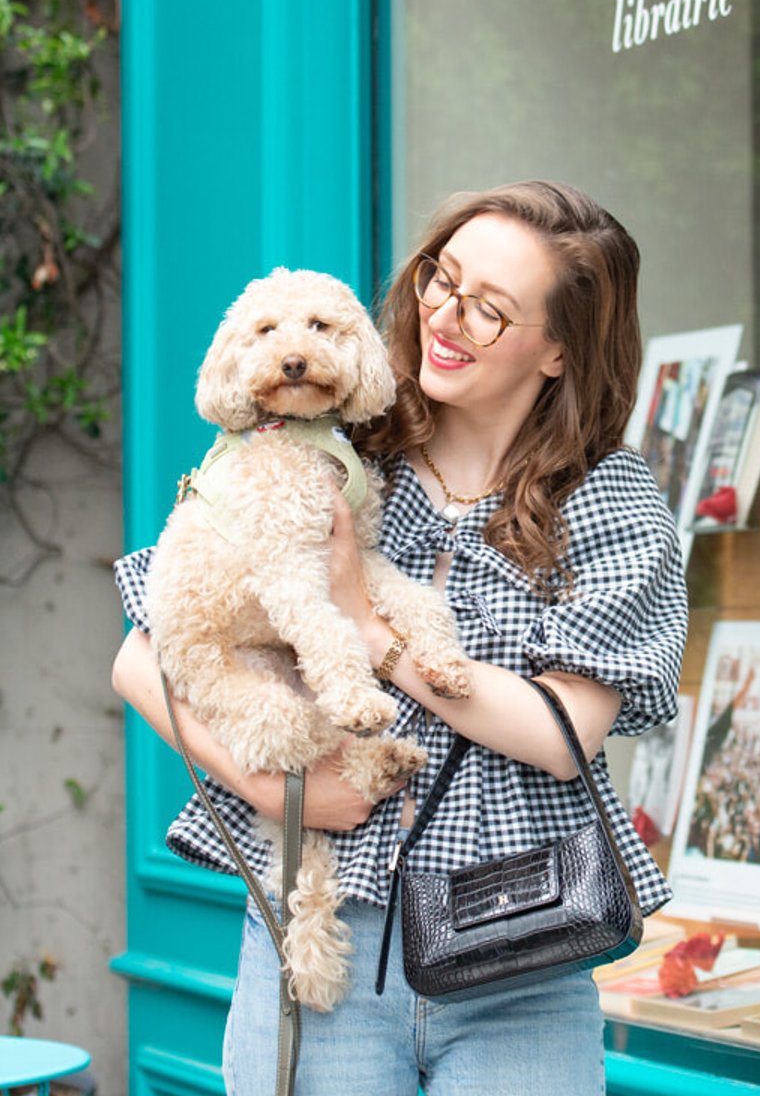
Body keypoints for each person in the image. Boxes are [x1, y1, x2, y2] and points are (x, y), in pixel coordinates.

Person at [110, 180, 689, 1095]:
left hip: (518, 956)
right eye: (441, 281)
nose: (446, 319)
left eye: (490, 311)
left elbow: (562, 732)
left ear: (557, 353)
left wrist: (373, 629)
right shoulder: (334, 443)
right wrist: (281, 784)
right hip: (320, 938)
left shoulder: (608, 497)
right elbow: (142, 654)